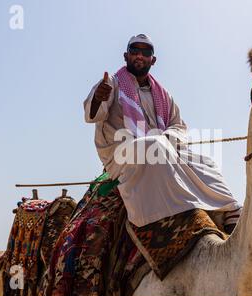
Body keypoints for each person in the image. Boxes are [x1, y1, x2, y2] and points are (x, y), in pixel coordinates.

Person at [84, 34, 241, 233]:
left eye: (146, 52)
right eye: (135, 51)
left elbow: (178, 126)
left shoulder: (163, 95)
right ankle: (177, 209)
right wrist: (99, 98)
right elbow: (92, 115)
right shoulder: (111, 84)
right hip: (122, 155)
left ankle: (229, 208)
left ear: (153, 59)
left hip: (160, 150)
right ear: (126, 56)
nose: (139, 56)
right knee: (153, 146)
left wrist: (166, 139)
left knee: (205, 160)